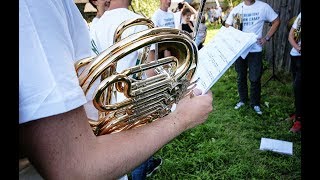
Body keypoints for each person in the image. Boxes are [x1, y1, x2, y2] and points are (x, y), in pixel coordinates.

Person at [19, 0, 214, 179]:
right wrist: (182, 117)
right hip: (122, 123)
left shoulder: (99, 22)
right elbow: (75, 167)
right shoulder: (35, 6)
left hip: (107, 124)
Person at [225, 0, 280, 115]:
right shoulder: (237, 9)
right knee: (241, 76)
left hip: (255, 50)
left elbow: (276, 21)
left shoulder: (263, 7)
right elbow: (227, 25)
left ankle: (255, 103)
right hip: (240, 50)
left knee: (255, 78)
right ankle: (243, 100)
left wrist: (266, 38)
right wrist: (234, 34)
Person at [287, 12, 301, 133]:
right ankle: (298, 113)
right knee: (297, 88)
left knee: (299, 88)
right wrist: (298, 48)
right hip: (295, 55)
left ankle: (299, 120)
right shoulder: (300, 15)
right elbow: (291, 35)